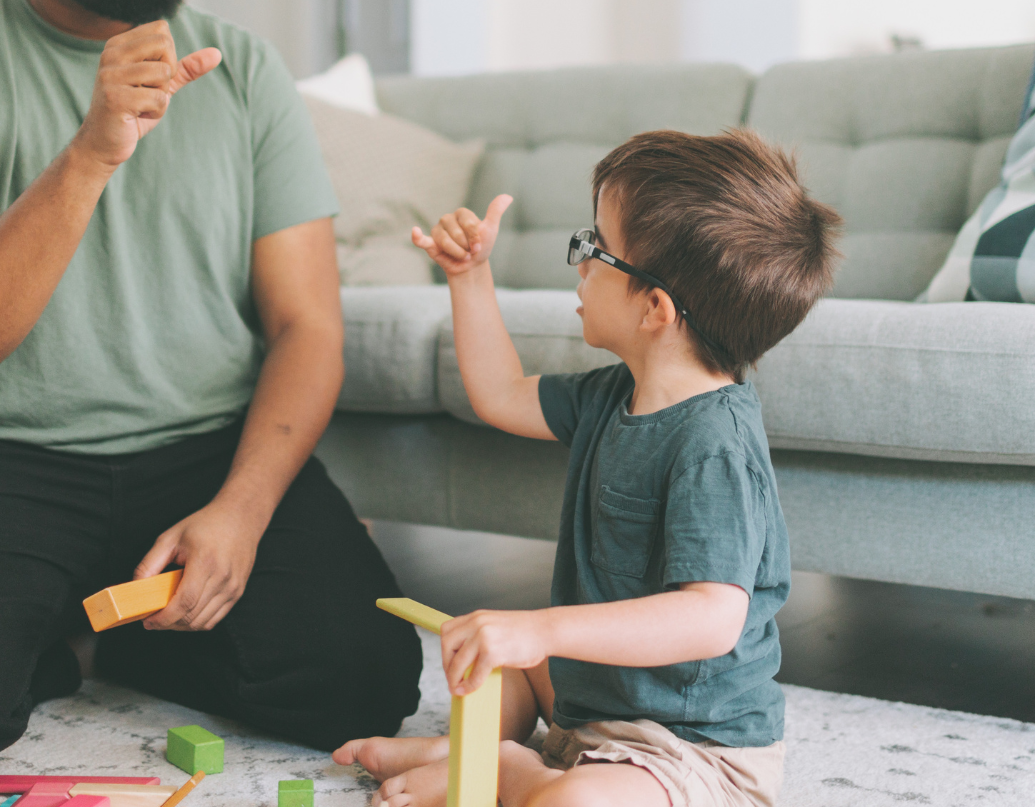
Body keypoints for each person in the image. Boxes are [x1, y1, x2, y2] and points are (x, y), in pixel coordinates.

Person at [334, 129, 842, 807]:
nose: (578, 264)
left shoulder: (713, 444)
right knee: (500, 661)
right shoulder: (613, 393)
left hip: (689, 744)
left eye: (594, 248)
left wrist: (541, 626)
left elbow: (710, 618)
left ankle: (511, 772)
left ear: (654, 308)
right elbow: (499, 394)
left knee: (569, 801)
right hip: (592, 694)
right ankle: (479, 753)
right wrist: (468, 276)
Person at [0, 0, 422, 752]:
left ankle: (100, 638)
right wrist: (91, 154)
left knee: (366, 677)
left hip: (208, 453)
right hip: (18, 456)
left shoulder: (245, 68)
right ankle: (61, 626)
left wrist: (244, 510)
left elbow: (308, 326)